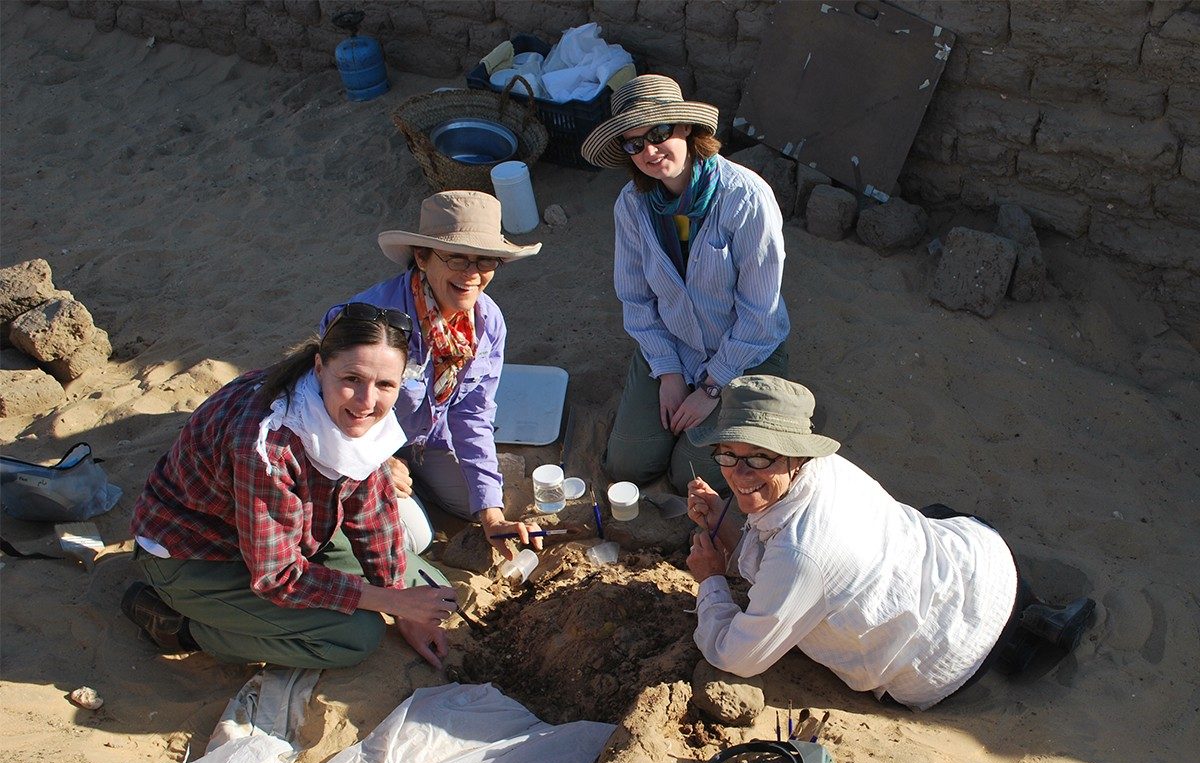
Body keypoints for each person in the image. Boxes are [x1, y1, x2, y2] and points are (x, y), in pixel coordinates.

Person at [683, 375, 1095, 710]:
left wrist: (711, 581)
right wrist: (724, 519)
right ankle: (1034, 618)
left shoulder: (800, 557)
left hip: (941, 668)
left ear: (795, 457)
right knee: (934, 513)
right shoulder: (826, 469)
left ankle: (1018, 650)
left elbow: (736, 656)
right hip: (987, 566)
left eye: (758, 457)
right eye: (728, 455)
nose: (739, 473)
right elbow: (779, 548)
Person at [123, 304, 460, 670]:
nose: (367, 401)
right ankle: (179, 626)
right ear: (320, 368)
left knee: (429, 586)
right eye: (352, 379)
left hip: (287, 536)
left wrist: (400, 601)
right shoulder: (267, 442)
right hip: (199, 554)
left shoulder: (353, 410)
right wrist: (391, 603)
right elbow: (277, 577)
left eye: (385, 385)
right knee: (354, 637)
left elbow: (371, 511)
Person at [580, 75, 790, 494]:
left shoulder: (745, 198)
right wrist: (670, 372)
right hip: (675, 345)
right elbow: (636, 299)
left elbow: (758, 312)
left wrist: (711, 387)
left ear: (687, 129)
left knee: (688, 477)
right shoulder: (632, 204)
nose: (650, 151)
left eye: (659, 134)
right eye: (634, 143)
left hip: (744, 353)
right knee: (628, 468)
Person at [323, 191, 543, 558]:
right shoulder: (368, 321)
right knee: (414, 538)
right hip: (360, 437)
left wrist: (492, 516)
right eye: (456, 257)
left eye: (485, 260)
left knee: (484, 503)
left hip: (429, 438)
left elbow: (472, 414)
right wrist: (376, 461)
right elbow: (327, 405)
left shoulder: (488, 323)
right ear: (422, 258)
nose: (472, 274)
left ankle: (413, 479)